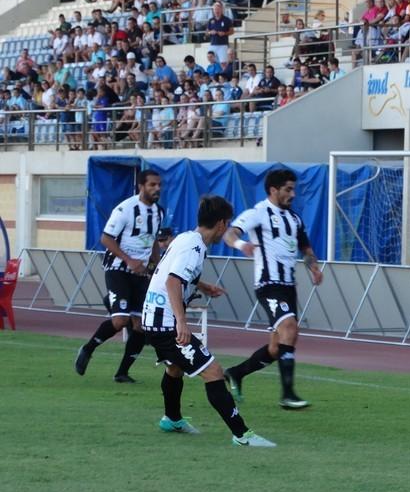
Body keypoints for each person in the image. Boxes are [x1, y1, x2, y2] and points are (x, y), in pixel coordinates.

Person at [142, 194, 275, 446]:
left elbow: (171, 271)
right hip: (165, 323)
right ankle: (242, 435)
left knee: (175, 367)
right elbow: (172, 281)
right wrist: (181, 322)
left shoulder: (185, 238)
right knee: (213, 371)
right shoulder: (194, 247)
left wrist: (202, 285)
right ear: (222, 224)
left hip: (153, 319)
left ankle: (172, 419)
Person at [222, 169, 323, 410]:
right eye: (288, 189)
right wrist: (241, 244)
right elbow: (230, 232)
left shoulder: (295, 219)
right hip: (269, 284)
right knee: (290, 329)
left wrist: (314, 268)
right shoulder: (258, 212)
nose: (293, 194)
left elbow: (306, 248)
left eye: (294, 189)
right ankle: (287, 395)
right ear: (273, 190)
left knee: (276, 347)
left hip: (288, 286)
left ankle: (236, 373)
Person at [75, 169, 164, 382]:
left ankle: (122, 372)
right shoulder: (125, 209)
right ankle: (87, 349)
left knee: (142, 325)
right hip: (118, 270)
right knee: (120, 320)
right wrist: (128, 260)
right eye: (152, 185)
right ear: (141, 186)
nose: (157, 189)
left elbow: (152, 241)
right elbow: (106, 239)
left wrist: (155, 264)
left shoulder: (158, 213)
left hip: (140, 274)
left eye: (159, 185)